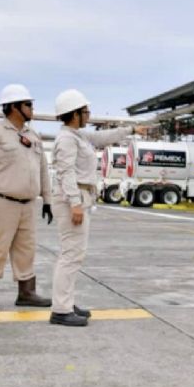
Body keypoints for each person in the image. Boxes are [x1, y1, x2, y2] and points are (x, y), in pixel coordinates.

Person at [49, 89, 140, 327]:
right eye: (86, 111)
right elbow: (65, 171)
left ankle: (65, 301)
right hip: (73, 198)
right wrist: (75, 203)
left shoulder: (78, 136)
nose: (89, 114)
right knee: (71, 255)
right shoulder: (67, 139)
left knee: (74, 254)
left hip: (80, 196)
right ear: (75, 114)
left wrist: (129, 130)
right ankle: (61, 309)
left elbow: (102, 138)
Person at [0, 84, 53, 310]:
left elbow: (43, 170)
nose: (32, 109)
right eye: (28, 105)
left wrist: (47, 200)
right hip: (1, 202)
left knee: (26, 250)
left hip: (27, 204)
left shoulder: (33, 136)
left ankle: (27, 292)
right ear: (14, 107)